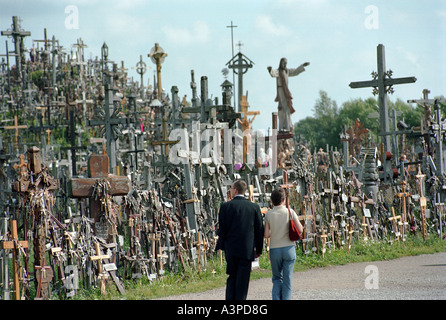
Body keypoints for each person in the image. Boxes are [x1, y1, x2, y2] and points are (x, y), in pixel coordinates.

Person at [216, 180, 264, 300]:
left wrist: (221, 245)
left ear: (235, 190)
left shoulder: (225, 206)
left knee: (232, 276)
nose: (230, 191)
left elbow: (222, 229)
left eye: (231, 188)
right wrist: (259, 249)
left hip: (231, 249)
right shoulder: (254, 207)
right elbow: (259, 230)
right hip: (246, 249)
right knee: (243, 279)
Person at [264, 188, 303, 300]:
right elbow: (300, 229)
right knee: (287, 279)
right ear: (284, 199)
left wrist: (275, 231)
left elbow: (266, 234)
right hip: (288, 248)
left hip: (274, 249)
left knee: (277, 278)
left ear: (272, 200)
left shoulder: (269, 214)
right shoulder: (290, 212)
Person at [267, 58, 309, 132]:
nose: (285, 64)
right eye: (284, 63)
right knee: (282, 108)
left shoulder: (287, 71)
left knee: (287, 108)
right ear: (281, 63)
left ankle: (288, 126)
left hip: (286, 91)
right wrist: (270, 70)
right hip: (281, 91)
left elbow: (295, 71)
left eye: (286, 63)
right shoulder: (278, 71)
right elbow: (273, 73)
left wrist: (302, 65)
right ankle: (282, 126)